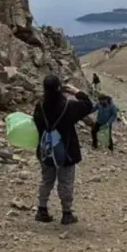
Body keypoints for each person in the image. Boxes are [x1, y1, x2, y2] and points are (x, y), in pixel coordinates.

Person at [32, 75, 95, 224]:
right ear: (60, 88)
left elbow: (36, 123)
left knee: (46, 180)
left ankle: (42, 209)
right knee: (65, 182)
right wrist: (76, 92)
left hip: (46, 150)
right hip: (66, 151)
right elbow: (88, 105)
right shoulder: (68, 106)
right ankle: (66, 213)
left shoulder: (39, 106)